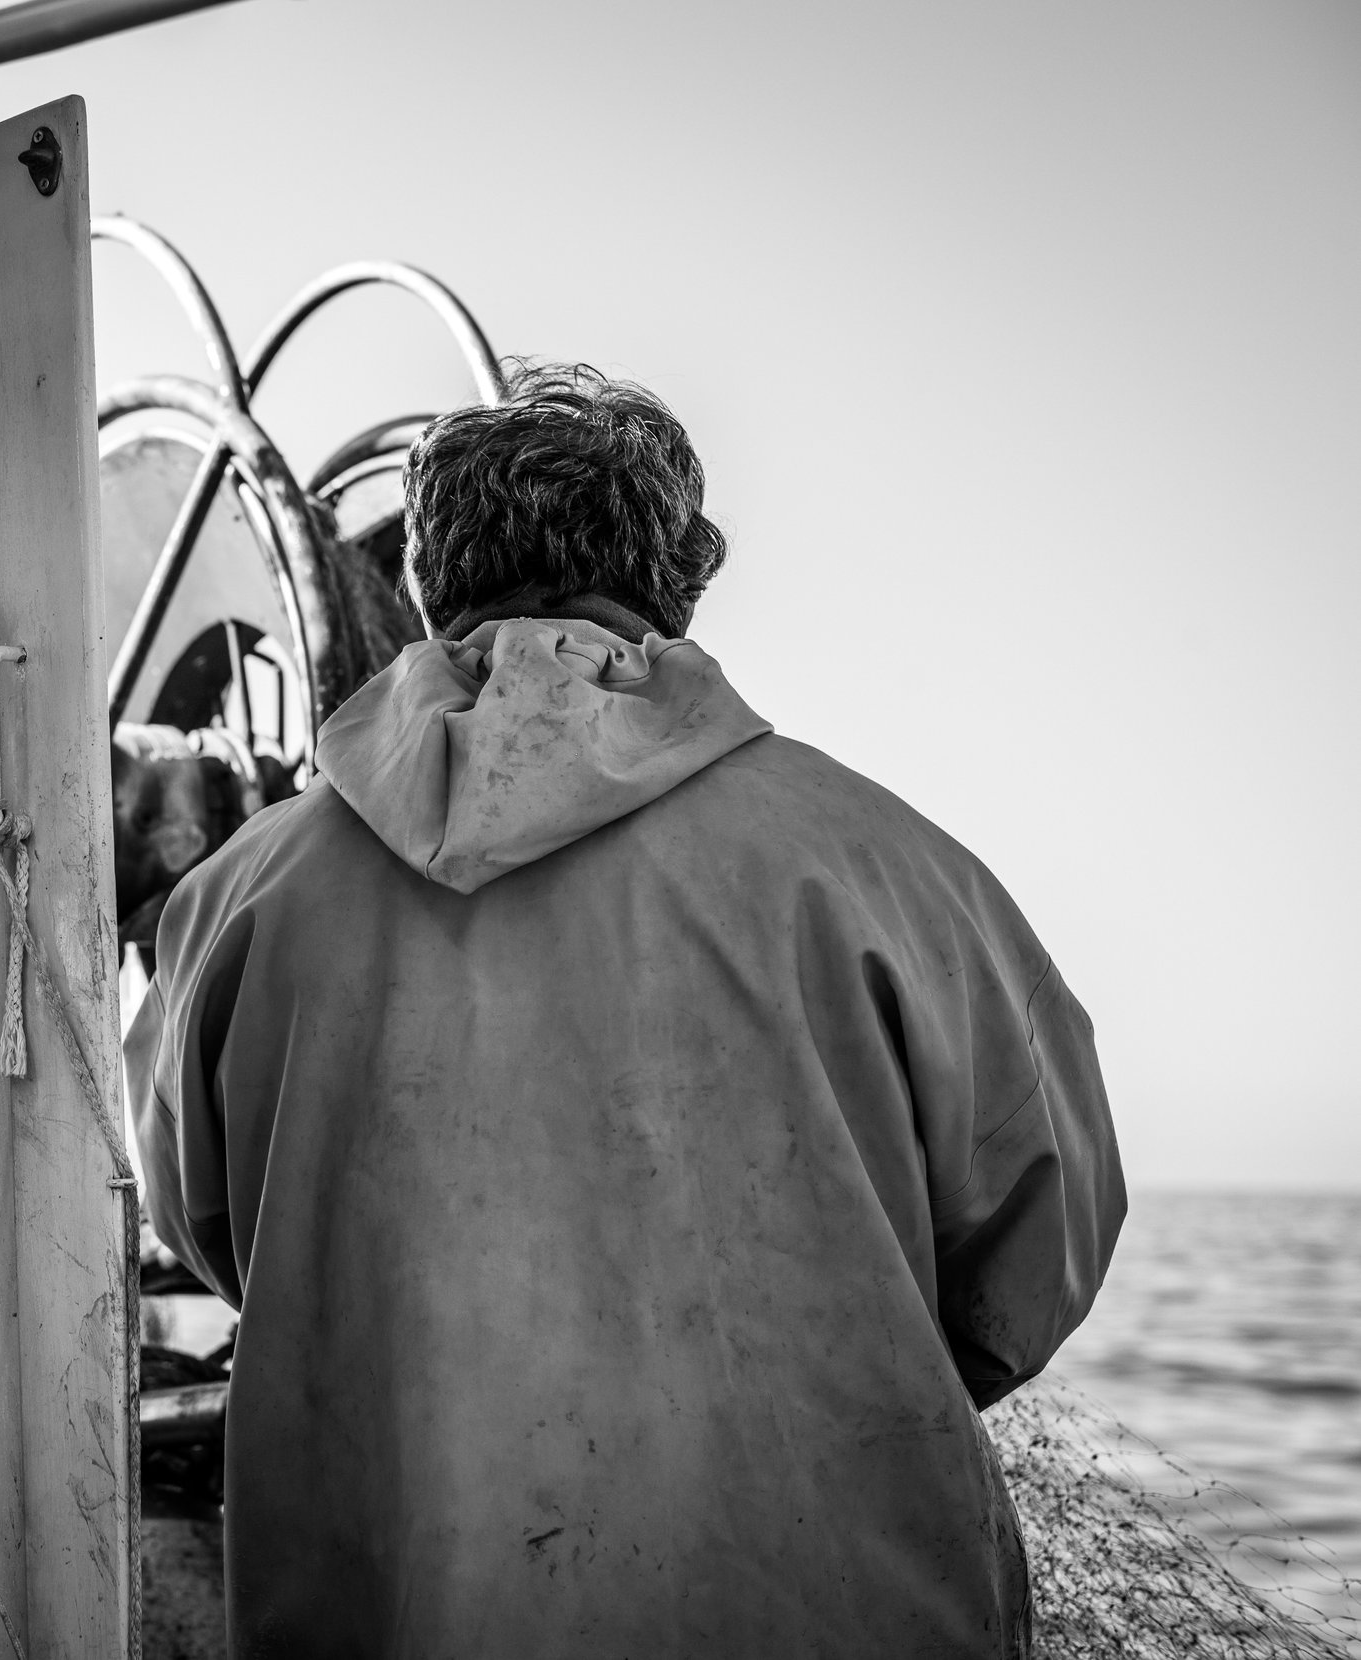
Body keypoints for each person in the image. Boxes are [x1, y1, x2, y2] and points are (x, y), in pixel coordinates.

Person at [124, 361, 1125, 1659]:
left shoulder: (242, 903)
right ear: (682, 575)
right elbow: (1038, 1254)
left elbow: (199, 1225)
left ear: (430, 577)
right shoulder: (896, 875)